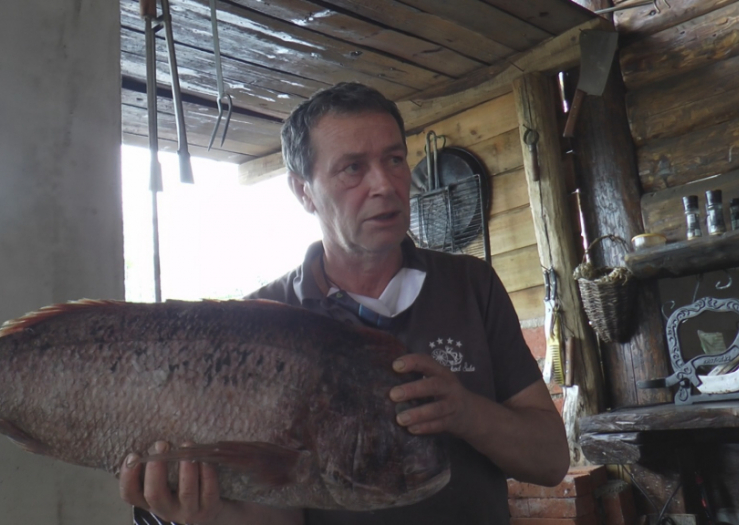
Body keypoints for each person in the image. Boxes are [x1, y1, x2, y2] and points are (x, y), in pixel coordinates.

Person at [120, 82, 570, 525]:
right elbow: (283, 513)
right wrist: (213, 514)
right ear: (303, 192)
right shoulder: (261, 321)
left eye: (394, 159)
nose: (386, 184)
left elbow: (551, 462)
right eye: (353, 168)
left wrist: (468, 413)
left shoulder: (472, 285)